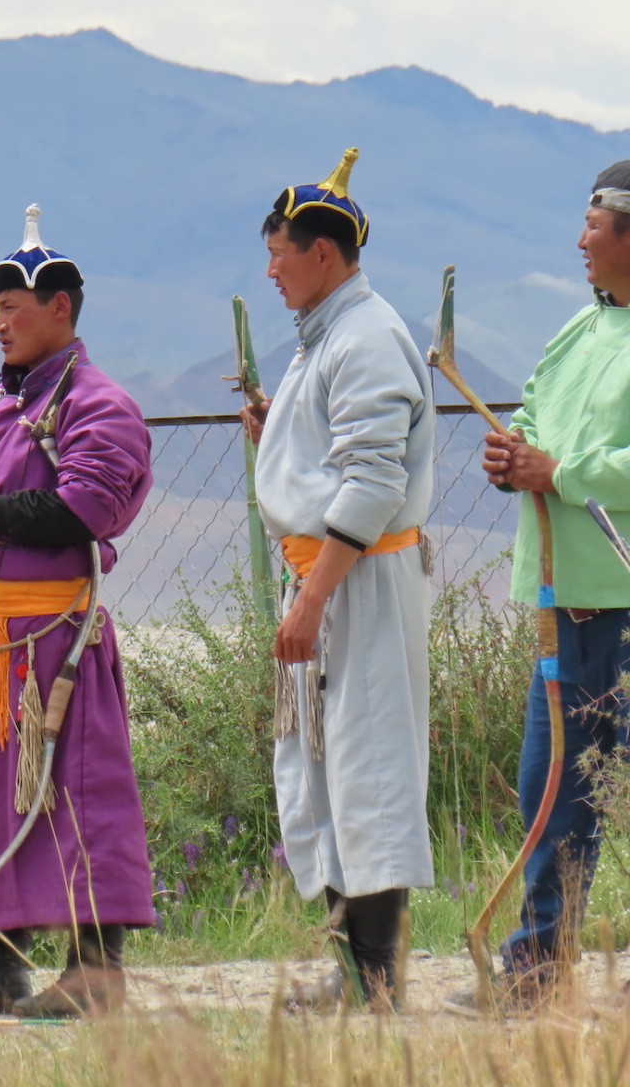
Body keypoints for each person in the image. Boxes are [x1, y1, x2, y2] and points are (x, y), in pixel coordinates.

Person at [0, 204, 154, 1017]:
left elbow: (88, 509)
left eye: (12, 309)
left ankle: (96, 968)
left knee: (82, 793)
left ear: (61, 308)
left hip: (57, 638)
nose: (0, 324)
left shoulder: (100, 402)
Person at [240, 149, 434, 1008]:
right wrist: (278, 438)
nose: (271, 270)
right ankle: (355, 970)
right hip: (328, 573)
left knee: (369, 769)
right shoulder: (328, 334)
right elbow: (336, 459)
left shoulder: (366, 337)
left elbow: (375, 479)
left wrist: (314, 598)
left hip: (357, 580)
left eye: (279, 252)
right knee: (319, 769)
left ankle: (375, 979)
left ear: (323, 252)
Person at [473, 159, 630, 1007]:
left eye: (594, 227)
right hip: (559, 601)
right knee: (550, 788)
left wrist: (559, 472)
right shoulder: (579, 329)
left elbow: (580, 463)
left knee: (600, 787)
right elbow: (532, 409)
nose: (579, 242)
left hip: (623, 601)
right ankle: (539, 969)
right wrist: (512, 453)